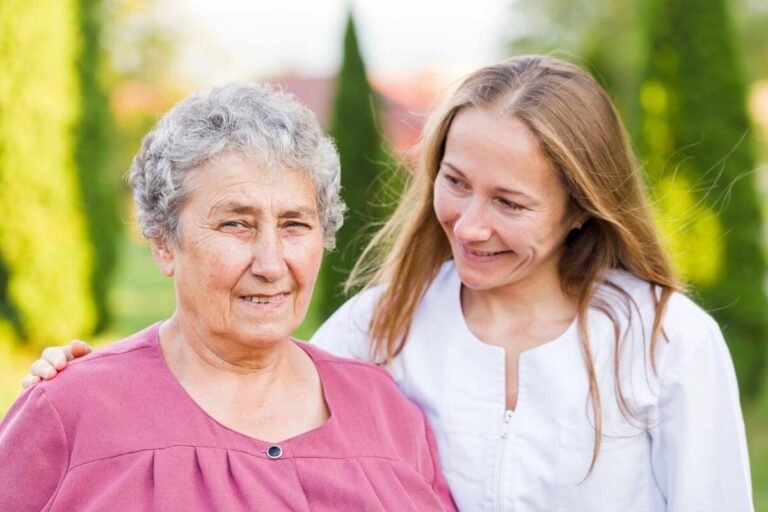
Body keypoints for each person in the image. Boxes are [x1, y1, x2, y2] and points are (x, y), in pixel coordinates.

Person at [21, 56, 753, 512]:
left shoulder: (665, 341)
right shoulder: (378, 327)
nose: (470, 225)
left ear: (580, 208)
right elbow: (245, 376)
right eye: (455, 183)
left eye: (510, 203)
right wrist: (85, 387)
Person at [1, 83, 456, 511]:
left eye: (294, 224)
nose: (271, 264)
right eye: (236, 224)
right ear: (163, 242)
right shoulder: (73, 410)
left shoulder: (388, 412)